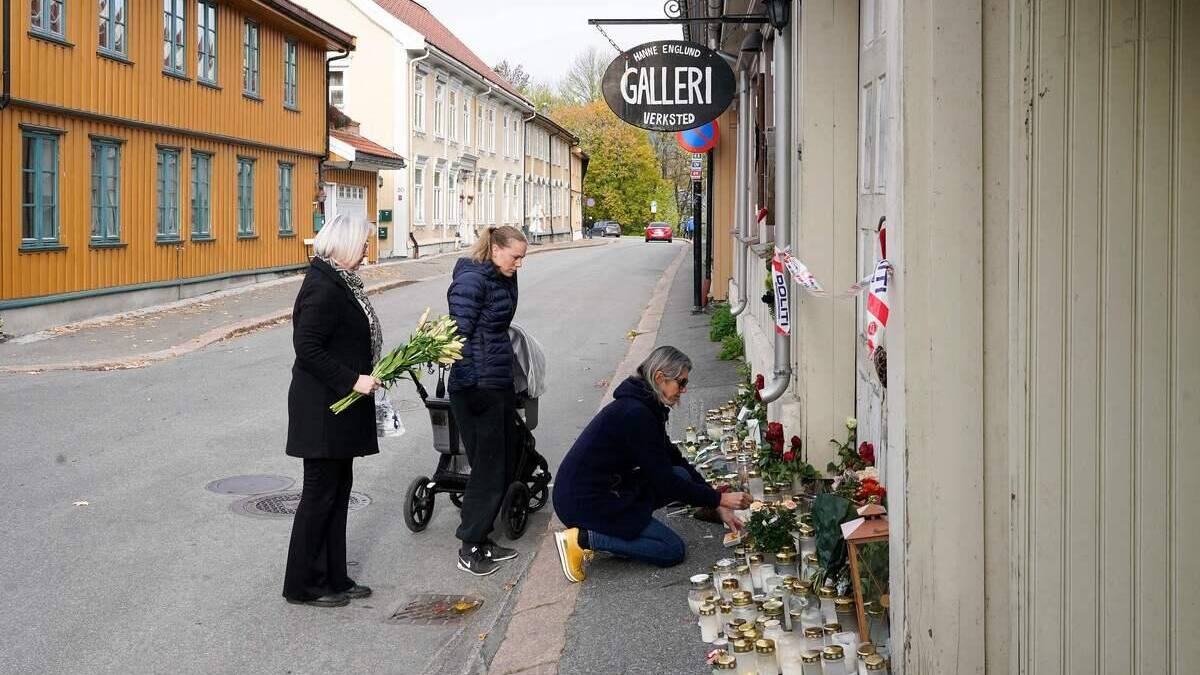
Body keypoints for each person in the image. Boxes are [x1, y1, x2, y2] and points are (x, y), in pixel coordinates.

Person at [551, 346, 751, 583]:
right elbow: (665, 483)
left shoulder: (646, 406)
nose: (684, 389)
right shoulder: (636, 414)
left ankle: (619, 534)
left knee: (681, 474)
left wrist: (715, 502)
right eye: (681, 382)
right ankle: (582, 539)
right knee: (671, 550)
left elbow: (674, 459)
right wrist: (719, 499)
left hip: (603, 488)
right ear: (659, 377)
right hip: (585, 501)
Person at [283, 215, 382, 608]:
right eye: (363, 244)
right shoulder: (323, 286)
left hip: (337, 409)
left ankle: (334, 576)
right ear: (345, 244)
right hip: (322, 410)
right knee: (320, 496)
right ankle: (304, 585)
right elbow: (307, 348)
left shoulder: (339, 280)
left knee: (338, 494)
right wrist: (353, 380)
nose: (367, 250)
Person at [447, 225, 528, 576]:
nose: (519, 264)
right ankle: (470, 547)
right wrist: (473, 385)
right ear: (495, 250)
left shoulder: (501, 276)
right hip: (477, 385)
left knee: (503, 460)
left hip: (496, 380)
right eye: (515, 257)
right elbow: (457, 336)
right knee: (488, 467)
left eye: (522, 258)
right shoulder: (471, 281)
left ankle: (482, 538)